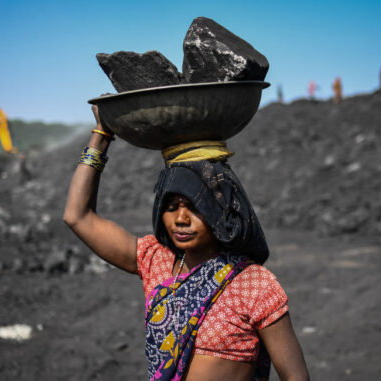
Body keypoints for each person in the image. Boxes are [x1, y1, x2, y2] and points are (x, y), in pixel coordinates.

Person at [64, 105, 309, 381]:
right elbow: (77, 216)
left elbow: (296, 377)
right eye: (171, 206)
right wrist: (102, 134)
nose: (181, 218)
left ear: (219, 209)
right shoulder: (155, 260)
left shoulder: (253, 283)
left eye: (194, 207)